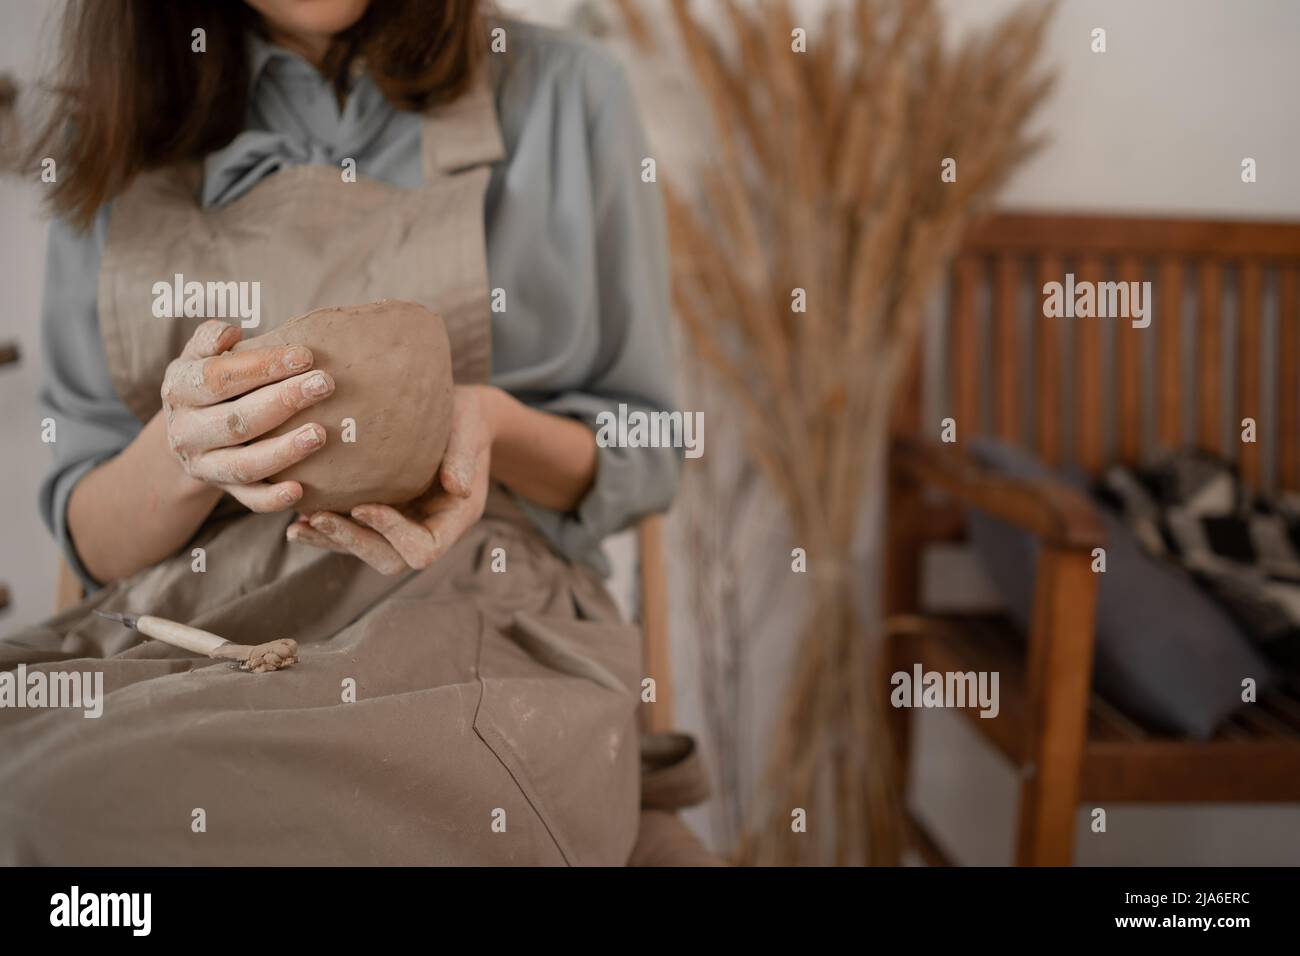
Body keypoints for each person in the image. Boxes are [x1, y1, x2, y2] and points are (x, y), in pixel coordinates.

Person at [0, 0, 679, 865]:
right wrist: (186, 448)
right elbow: (90, 531)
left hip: (474, 605)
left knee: (96, 819)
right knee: (26, 803)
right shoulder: (119, 116)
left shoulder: (565, 91)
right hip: (187, 623)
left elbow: (651, 443)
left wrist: (490, 427)